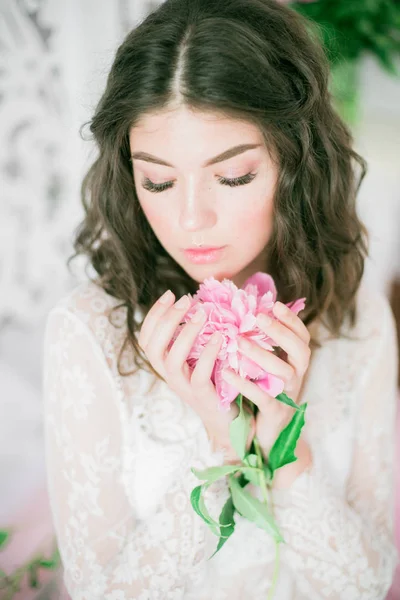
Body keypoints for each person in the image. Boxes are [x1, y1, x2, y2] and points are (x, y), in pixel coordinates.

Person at [42, 0, 399, 598]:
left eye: (233, 177)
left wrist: (282, 439)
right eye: (156, 180)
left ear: (298, 161)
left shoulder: (354, 307)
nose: (190, 219)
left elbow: (367, 583)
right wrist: (218, 439)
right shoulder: (88, 331)